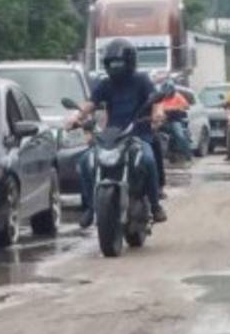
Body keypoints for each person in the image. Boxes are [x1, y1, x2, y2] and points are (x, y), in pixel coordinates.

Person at [67, 39, 167, 229]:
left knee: (148, 159)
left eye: (119, 62)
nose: (115, 67)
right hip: (112, 137)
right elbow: (90, 104)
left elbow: (156, 101)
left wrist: (157, 114)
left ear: (129, 62)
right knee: (85, 162)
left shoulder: (142, 80)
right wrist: (77, 117)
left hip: (139, 133)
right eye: (111, 63)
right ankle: (89, 207)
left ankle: (155, 205)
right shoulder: (106, 84)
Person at [160, 85, 195, 164]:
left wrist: (175, 108)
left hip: (174, 120)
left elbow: (186, 106)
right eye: (165, 93)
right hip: (161, 120)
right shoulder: (161, 97)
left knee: (179, 135)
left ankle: (187, 155)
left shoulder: (177, 96)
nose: (167, 95)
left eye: (168, 93)